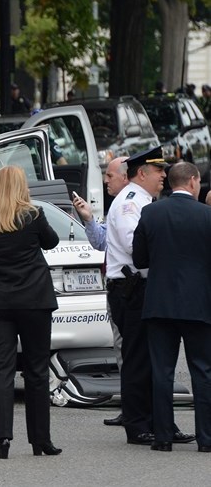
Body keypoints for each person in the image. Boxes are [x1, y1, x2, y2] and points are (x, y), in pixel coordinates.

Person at [104, 146, 194, 446]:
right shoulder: (130, 203)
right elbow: (135, 247)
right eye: (158, 170)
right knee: (138, 360)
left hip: (143, 288)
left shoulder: (144, 201)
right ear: (141, 173)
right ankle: (138, 425)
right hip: (131, 290)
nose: (163, 176)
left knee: (153, 360)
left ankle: (161, 423)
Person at [0, 166, 62, 459]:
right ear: (22, 186)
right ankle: (41, 440)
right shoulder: (33, 215)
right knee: (37, 370)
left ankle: (3, 440)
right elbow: (51, 241)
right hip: (34, 300)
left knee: (2, 371)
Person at [133, 162, 211, 453]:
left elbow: (139, 259)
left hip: (160, 302)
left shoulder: (150, 212)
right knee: (202, 371)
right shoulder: (207, 215)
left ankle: (163, 437)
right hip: (198, 303)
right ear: (192, 181)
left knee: (162, 372)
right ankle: (207, 438)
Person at [72, 157, 128, 426]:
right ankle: (131, 407)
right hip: (117, 290)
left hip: (130, 290)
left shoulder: (131, 206)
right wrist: (88, 219)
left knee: (131, 350)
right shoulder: (117, 205)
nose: (105, 180)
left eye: (110, 175)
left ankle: (138, 409)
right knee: (122, 350)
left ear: (126, 177)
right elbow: (100, 242)